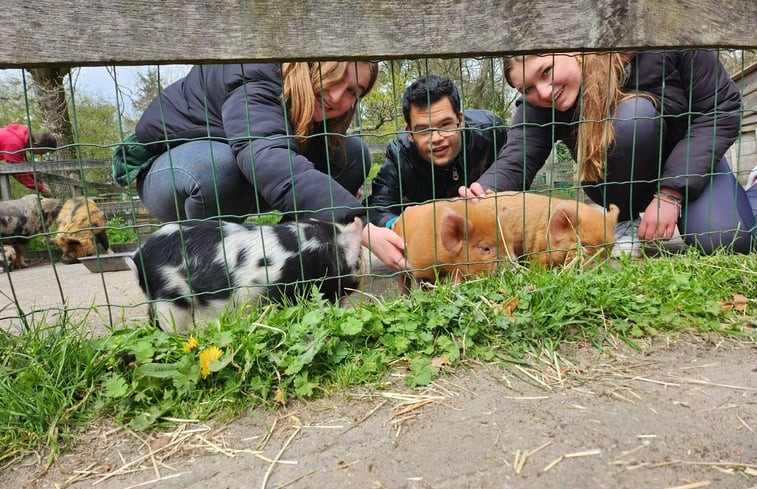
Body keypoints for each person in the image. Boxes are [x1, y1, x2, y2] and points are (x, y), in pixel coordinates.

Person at [459, 50, 756, 256]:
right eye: (528, 88)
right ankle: (624, 219)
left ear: (570, 48)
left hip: (691, 167)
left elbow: (721, 107)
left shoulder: (663, 41)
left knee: (727, 240)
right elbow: (518, 154)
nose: (544, 91)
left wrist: (670, 193)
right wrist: (485, 192)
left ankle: (752, 190)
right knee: (629, 124)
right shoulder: (540, 104)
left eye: (546, 71)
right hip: (619, 185)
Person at [113, 62, 407, 269]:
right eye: (334, 76)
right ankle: (206, 267)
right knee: (219, 170)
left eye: (353, 92)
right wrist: (361, 226)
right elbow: (266, 156)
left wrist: (341, 203)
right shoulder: (259, 69)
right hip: (174, 170)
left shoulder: (312, 105)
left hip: (242, 157)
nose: (336, 97)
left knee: (350, 153)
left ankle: (294, 261)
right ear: (313, 63)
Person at [367, 74, 507, 229]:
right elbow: (379, 205)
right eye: (423, 130)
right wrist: (401, 226)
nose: (436, 138)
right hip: (424, 230)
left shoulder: (490, 132)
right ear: (409, 133)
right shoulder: (399, 152)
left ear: (460, 120)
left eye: (445, 125)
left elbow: (512, 178)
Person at [0, 124, 56, 197]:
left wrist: (39, 182)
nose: (40, 155)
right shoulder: (15, 143)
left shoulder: (21, 138)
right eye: (41, 152)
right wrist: (41, 188)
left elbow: (23, 167)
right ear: (35, 145)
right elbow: (17, 172)